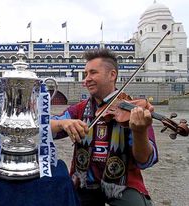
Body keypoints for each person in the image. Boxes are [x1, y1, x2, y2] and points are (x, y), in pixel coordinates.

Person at [51, 49, 157, 206]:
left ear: (112, 75)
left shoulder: (134, 110)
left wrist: (139, 132)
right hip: (84, 181)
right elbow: (44, 127)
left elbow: (145, 161)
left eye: (93, 73)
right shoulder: (79, 109)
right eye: (86, 74)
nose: (87, 79)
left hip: (122, 184)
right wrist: (62, 123)